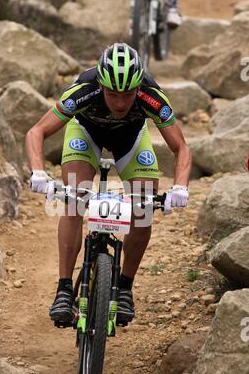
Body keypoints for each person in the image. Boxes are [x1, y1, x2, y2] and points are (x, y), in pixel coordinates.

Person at [26, 43, 192, 326]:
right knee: (74, 198)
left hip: (131, 138)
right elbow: (37, 131)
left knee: (144, 207)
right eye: (112, 94)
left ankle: (125, 288)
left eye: (127, 95)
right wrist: (39, 172)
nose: (119, 103)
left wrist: (180, 187)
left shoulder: (151, 95)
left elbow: (182, 147)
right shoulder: (85, 89)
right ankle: (64, 289)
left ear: (137, 88)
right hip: (86, 132)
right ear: (101, 85)